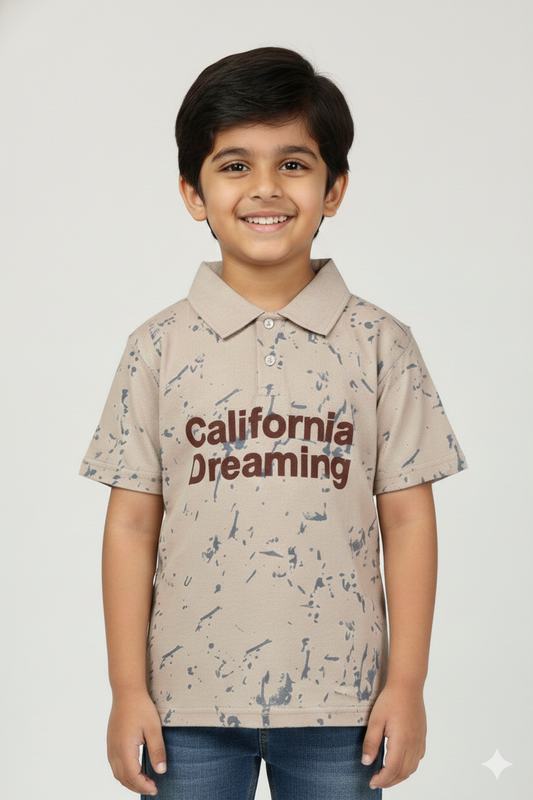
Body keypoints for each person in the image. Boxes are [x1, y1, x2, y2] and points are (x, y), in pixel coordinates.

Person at [80, 47, 467, 799]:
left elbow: (408, 521)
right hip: (182, 708)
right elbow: (130, 524)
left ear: (335, 189)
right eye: (234, 166)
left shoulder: (380, 344)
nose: (265, 188)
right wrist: (127, 689)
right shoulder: (156, 348)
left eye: (293, 164)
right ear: (193, 193)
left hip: (343, 708)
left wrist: (407, 684)